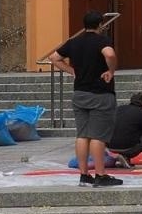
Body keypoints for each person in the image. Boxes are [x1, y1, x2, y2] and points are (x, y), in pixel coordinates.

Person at [47, 10, 123, 187]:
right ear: (100, 25)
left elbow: (54, 58)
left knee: (82, 135)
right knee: (98, 136)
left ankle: (84, 175)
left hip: (79, 93)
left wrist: (72, 71)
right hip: (100, 94)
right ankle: (100, 175)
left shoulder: (74, 42)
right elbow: (110, 54)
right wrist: (110, 71)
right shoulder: (102, 41)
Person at [107, 91, 142, 170]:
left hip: (110, 146)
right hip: (127, 148)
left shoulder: (119, 109)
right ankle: (125, 155)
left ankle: (123, 157)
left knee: (128, 130)